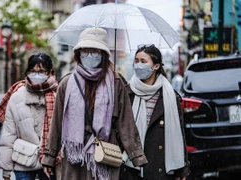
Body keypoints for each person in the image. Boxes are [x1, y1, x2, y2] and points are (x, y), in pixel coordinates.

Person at [41, 27, 148, 180]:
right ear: (78, 54)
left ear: (103, 55)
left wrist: (136, 155)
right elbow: (57, 123)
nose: (89, 55)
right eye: (85, 51)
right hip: (75, 157)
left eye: (95, 51)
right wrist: (49, 156)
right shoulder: (67, 83)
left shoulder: (116, 82)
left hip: (105, 154)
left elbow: (126, 122)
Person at [120, 44, 190, 180]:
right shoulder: (126, 93)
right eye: (136, 61)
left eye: (143, 61)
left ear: (156, 66)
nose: (139, 65)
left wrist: (183, 167)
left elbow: (179, 132)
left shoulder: (169, 96)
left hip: (160, 165)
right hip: (131, 165)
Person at [0, 52, 60, 180]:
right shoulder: (17, 96)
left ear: (50, 72)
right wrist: (6, 169)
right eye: (32, 70)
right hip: (23, 161)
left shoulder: (58, 95)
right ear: (27, 72)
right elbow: (9, 134)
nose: (37, 74)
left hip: (50, 162)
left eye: (42, 71)